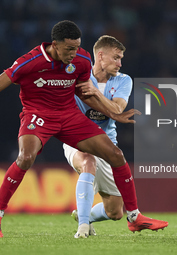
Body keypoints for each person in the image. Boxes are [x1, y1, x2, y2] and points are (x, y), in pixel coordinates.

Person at [0, 20, 168, 238]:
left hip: (69, 115)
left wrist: (114, 114)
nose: (74, 53)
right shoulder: (29, 61)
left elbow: (83, 94)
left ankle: (134, 217)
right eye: (69, 48)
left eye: (77, 47)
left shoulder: (82, 59)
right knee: (25, 157)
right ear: (55, 44)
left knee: (116, 155)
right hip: (38, 115)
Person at [64, 35, 134, 238]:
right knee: (88, 161)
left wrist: (95, 92)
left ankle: (83, 215)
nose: (120, 63)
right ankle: (83, 227)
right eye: (116, 58)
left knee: (115, 211)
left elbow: (117, 110)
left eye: (121, 59)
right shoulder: (78, 76)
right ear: (101, 56)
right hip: (76, 138)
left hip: (107, 144)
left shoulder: (124, 80)